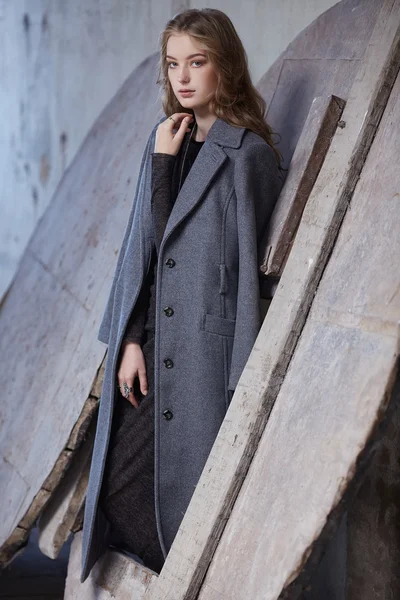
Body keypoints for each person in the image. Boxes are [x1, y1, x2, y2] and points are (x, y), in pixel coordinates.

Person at [81, 7, 283, 581]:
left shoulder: (249, 156)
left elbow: (234, 269)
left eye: (198, 62)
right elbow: (144, 252)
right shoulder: (165, 138)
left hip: (203, 348)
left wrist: (241, 372)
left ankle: (195, 584)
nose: (183, 78)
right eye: (173, 65)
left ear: (227, 68)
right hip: (152, 340)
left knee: (192, 499)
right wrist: (131, 339)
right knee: (118, 486)